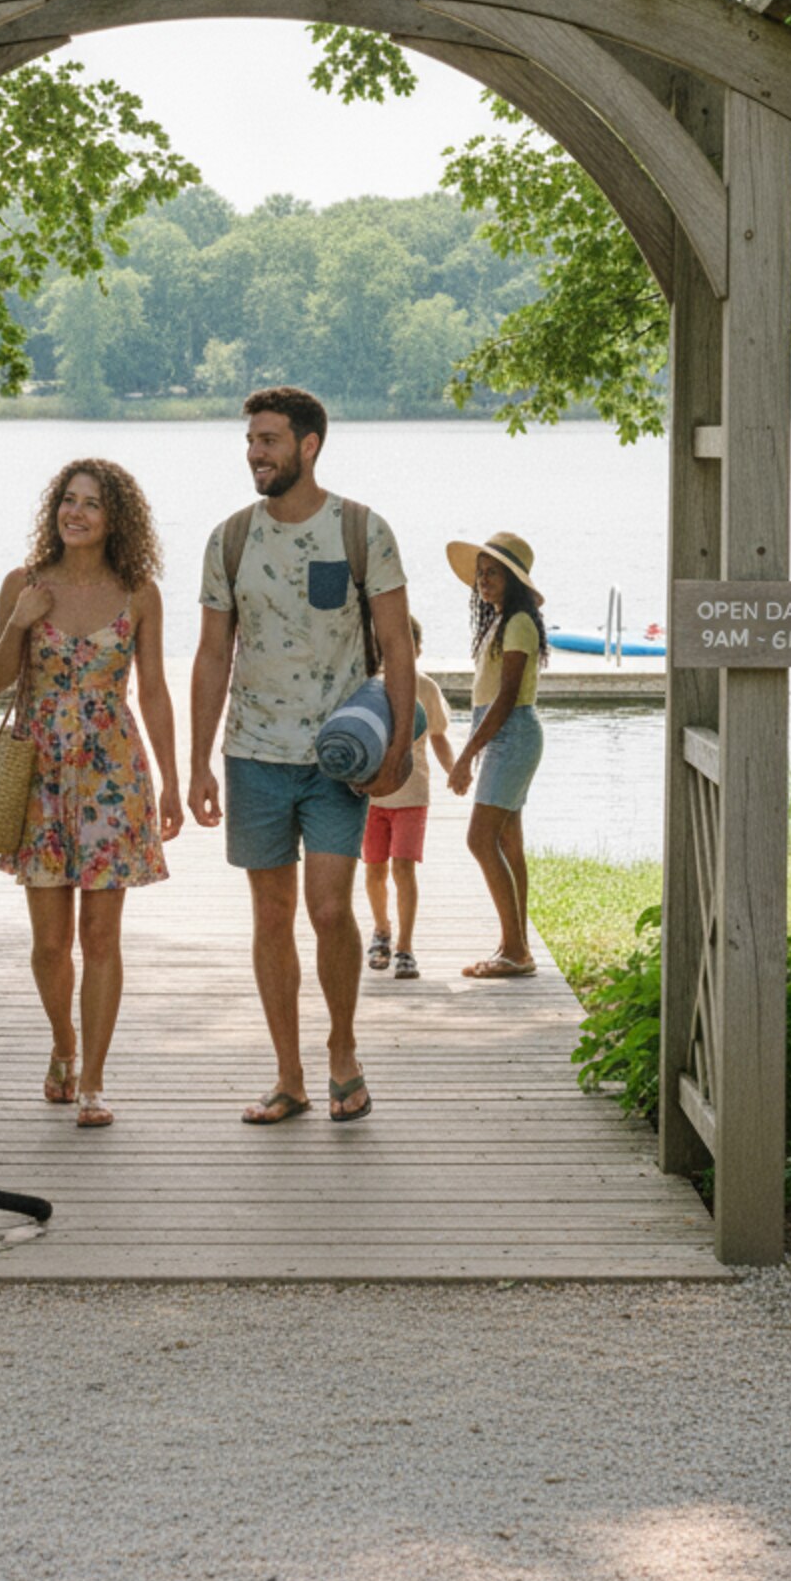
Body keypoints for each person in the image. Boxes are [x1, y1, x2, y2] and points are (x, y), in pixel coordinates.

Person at [190, 387, 415, 1124]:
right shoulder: (229, 539)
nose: (256, 453)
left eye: (269, 441)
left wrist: (402, 747)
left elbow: (398, 645)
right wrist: (197, 763)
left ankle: (342, 1050)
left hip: (337, 757)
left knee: (328, 908)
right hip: (253, 753)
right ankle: (288, 1077)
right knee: (271, 916)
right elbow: (213, 653)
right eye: (251, 441)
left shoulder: (362, 530)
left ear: (308, 445)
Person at [0, 459, 180, 1129]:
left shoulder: (139, 592)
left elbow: (152, 690)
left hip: (112, 773)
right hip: (38, 774)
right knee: (48, 943)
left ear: (114, 518)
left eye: (92, 504)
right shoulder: (24, 583)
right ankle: (62, 1045)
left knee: (101, 936)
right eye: (68, 501)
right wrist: (18, 621)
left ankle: (93, 1080)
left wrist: (175, 780)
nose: (76, 513)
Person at [445, 532, 547, 977]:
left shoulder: (520, 622)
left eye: (493, 574)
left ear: (514, 580)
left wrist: (467, 754)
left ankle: (517, 952)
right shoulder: (501, 621)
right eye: (480, 574)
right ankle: (514, 945)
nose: (483, 581)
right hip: (504, 733)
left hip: (512, 733)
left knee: (479, 839)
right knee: (508, 843)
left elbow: (506, 698)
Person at [362, 616, 455, 981]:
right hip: (371, 796)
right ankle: (381, 931)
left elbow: (438, 735)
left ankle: (405, 946)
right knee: (374, 870)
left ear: (417, 648)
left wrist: (455, 771)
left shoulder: (426, 688)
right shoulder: (368, 687)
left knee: (403, 870)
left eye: (405, 643)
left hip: (413, 793)